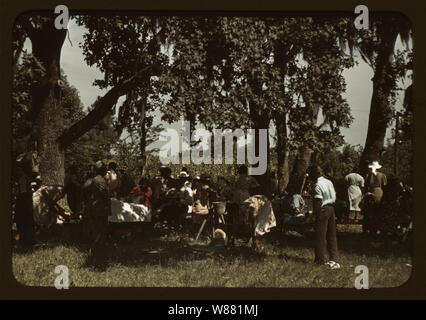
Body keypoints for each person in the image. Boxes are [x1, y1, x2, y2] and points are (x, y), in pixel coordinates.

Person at [308, 165, 340, 269]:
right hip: (331, 208)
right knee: (332, 235)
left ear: (314, 175)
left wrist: (313, 215)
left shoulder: (317, 185)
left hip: (322, 210)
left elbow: (318, 201)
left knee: (320, 236)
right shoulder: (328, 182)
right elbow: (334, 196)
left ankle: (319, 260)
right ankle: (334, 259)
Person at [82, 161, 111, 270]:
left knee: (98, 235)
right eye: (105, 169)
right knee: (100, 236)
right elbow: (105, 196)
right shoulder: (100, 180)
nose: (106, 171)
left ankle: (96, 260)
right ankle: (99, 263)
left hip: (96, 211)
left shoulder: (93, 180)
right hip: (100, 212)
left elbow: (85, 189)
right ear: (102, 170)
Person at [14, 154, 36, 246]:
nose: (31, 167)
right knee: (25, 221)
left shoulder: (26, 178)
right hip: (23, 203)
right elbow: (23, 192)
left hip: (26, 201)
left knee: (28, 222)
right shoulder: (23, 178)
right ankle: (25, 241)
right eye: (30, 166)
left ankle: (29, 241)